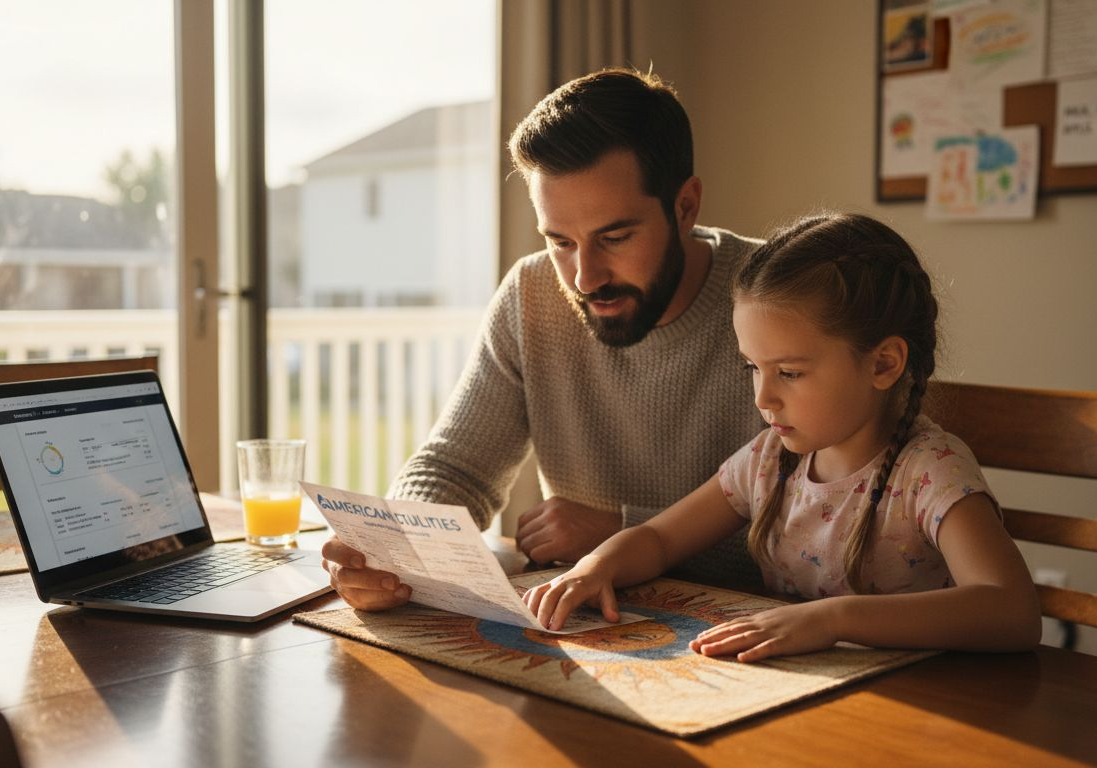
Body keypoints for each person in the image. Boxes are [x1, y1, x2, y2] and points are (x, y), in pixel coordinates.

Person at [321, 69, 767, 611]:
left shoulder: (779, 299)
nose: (585, 279)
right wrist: (396, 550)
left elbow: (819, 535)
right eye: (560, 242)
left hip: (757, 630)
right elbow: (455, 468)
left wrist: (619, 532)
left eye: (615, 237)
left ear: (686, 206)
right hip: (576, 624)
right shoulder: (531, 293)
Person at [523, 213, 1042, 661]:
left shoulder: (931, 471)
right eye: (753, 367)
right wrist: (595, 567)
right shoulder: (770, 460)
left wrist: (833, 620)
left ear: (883, 363)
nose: (763, 397)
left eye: (789, 373)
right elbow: (660, 539)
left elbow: (1012, 610)